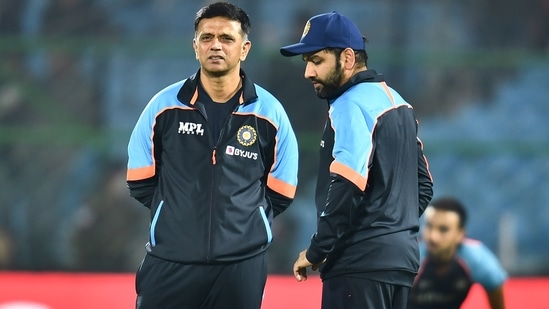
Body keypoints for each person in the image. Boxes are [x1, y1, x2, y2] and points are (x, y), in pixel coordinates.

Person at [126, 2, 299, 308]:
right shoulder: (163, 107)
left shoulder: (270, 114)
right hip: (170, 262)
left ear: (244, 48)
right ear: (195, 47)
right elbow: (141, 181)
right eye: (207, 38)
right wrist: (177, 217)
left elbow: (281, 192)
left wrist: (241, 223)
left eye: (226, 38)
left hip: (241, 266)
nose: (215, 45)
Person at [279, 11, 434, 309]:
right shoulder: (397, 102)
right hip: (401, 264)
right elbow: (424, 186)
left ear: (347, 58)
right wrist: (390, 232)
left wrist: (317, 250)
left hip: (358, 264)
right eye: (306, 62)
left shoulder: (349, 104)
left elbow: (347, 182)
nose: (308, 73)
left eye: (316, 60)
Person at [407, 197, 507, 309]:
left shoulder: (477, 259)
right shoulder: (409, 258)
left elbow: (494, 285)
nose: (433, 237)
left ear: (460, 234)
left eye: (443, 229)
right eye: (429, 226)